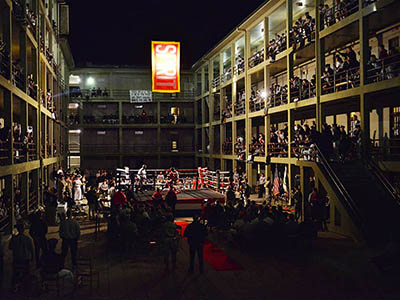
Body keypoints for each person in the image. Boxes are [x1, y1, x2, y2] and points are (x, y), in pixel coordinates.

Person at [9, 222, 34, 289]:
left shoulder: (14, 239)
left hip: (17, 258)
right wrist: (32, 258)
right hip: (25, 258)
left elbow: (10, 247)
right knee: (26, 272)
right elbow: (31, 249)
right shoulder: (27, 239)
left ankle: (15, 285)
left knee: (15, 272)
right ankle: (26, 285)